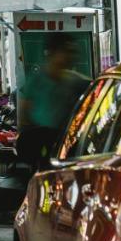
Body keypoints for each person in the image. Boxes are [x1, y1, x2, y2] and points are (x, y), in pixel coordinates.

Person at [17, 33, 90, 170]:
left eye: (73, 51)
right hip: (41, 151)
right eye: (66, 51)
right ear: (52, 53)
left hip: (68, 152)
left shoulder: (78, 83)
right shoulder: (37, 81)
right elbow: (23, 117)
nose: (71, 56)